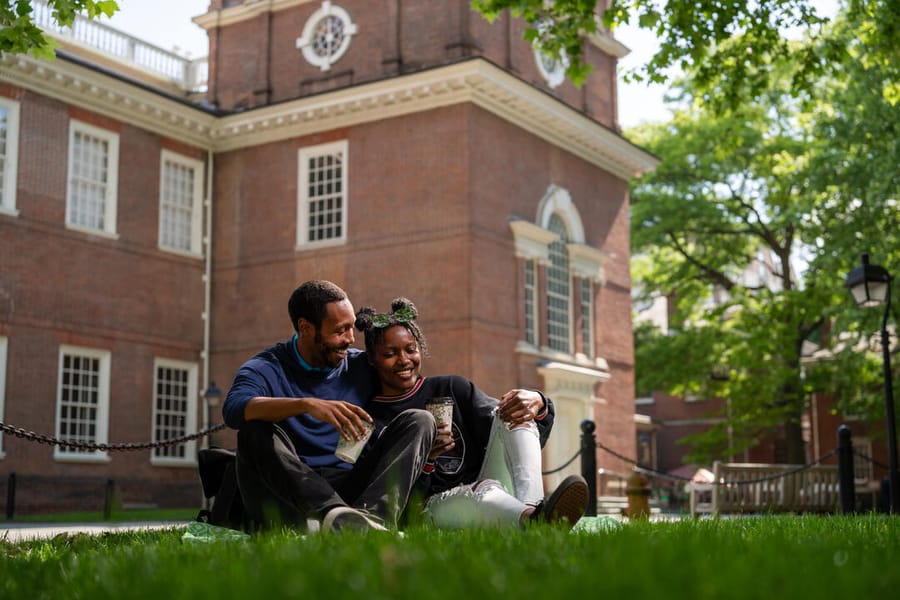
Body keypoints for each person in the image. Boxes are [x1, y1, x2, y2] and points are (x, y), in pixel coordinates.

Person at [355, 297, 589, 529]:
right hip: (428, 507)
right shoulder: (370, 418)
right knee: (483, 490)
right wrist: (428, 461)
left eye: (410, 350)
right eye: (390, 354)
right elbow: (389, 496)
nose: (404, 360)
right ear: (373, 360)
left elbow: (507, 432)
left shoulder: (452, 388)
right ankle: (535, 520)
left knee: (511, 413)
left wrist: (538, 402)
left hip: (492, 486)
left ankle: (534, 511)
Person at [222, 280, 436, 532]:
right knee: (253, 430)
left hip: (350, 489)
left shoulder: (361, 365)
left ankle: (372, 523)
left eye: (351, 328)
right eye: (340, 330)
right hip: (288, 495)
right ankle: (335, 517)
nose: (351, 338)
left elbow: (411, 378)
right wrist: (307, 405)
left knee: (419, 419)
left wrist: (492, 406)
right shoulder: (266, 368)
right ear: (306, 328)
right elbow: (233, 410)